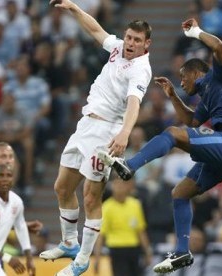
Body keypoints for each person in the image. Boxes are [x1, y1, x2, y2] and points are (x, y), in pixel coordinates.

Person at [99, 17, 222, 273]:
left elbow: (219, 48)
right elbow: (191, 120)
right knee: (180, 193)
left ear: (196, 72)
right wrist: (173, 96)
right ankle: (182, 253)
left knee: (172, 133)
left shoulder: (219, 78)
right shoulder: (206, 98)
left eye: (183, 78)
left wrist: (196, 33)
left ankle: (130, 165)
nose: (182, 83)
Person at [39, 1, 152, 275]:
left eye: (137, 40)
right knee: (61, 188)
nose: (130, 43)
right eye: (128, 37)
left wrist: (125, 132)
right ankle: (68, 242)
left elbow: (134, 103)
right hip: (85, 125)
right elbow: (96, 30)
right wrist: (75, 9)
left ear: (146, 45)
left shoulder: (140, 70)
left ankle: (82, 260)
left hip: (108, 132)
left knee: (91, 197)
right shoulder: (117, 49)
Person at [94, 176, 152, 276]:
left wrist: (147, 252)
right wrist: (97, 257)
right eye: (117, 185)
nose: (119, 188)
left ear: (127, 186)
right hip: (117, 250)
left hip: (134, 249)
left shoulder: (135, 204)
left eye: (122, 185)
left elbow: (141, 231)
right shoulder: (107, 207)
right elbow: (101, 235)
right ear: (112, 187)